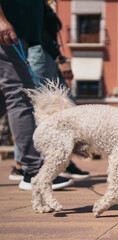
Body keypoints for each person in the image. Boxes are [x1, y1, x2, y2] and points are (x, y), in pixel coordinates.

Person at [8, 3, 90, 181]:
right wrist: (59, 58)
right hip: (41, 54)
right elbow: (41, 33)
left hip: (46, 54)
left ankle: (58, 161)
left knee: (64, 107)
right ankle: (26, 165)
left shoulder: (44, 5)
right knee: (34, 108)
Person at [0, 0, 73, 190]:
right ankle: (33, 170)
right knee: (20, 94)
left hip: (17, 33)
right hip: (7, 31)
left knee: (13, 96)